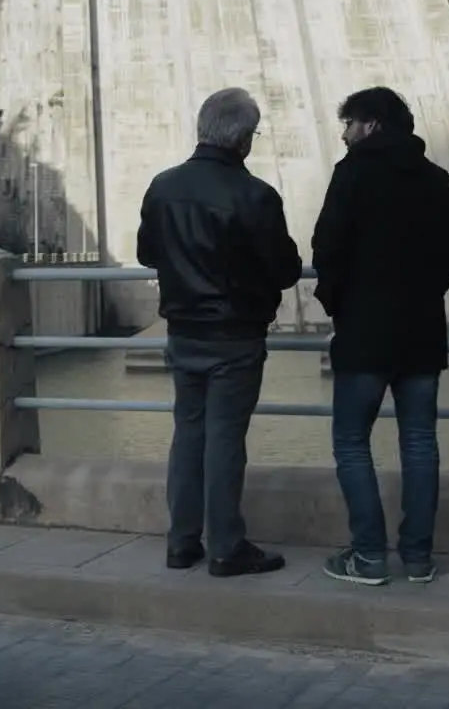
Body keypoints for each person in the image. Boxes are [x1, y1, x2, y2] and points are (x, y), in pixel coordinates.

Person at [137, 87, 304, 578]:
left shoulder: (163, 186)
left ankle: (181, 541)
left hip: (183, 331)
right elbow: (286, 269)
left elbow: (148, 253)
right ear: (244, 140)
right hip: (235, 335)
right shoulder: (255, 196)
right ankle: (227, 546)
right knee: (226, 438)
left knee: (188, 433)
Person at [310, 87, 449, 587]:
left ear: (372, 125)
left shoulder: (352, 173)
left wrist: (339, 305)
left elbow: (326, 248)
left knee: (353, 442)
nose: (344, 133)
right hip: (422, 333)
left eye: (350, 123)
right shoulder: (437, 179)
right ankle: (418, 559)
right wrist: (424, 293)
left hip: (364, 333)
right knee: (420, 443)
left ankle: (369, 556)